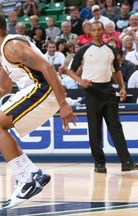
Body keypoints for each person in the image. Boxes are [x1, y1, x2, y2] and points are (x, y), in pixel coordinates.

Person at [0, 11, 76, 209]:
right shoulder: (5, 51)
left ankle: (26, 179)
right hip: (37, 90)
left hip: (43, 89)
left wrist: (63, 104)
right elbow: (2, 89)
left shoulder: (11, 46)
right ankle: (31, 174)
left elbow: (47, 67)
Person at [67, 21, 138, 173]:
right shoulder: (84, 50)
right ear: (90, 33)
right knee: (95, 129)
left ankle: (126, 162)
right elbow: (70, 71)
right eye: (94, 30)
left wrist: (122, 87)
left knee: (116, 127)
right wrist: (81, 81)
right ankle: (99, 163)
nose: (97, 32)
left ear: (104, 31)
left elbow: (116, 71)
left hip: (108, 90)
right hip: (92, 91)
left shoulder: (110, 49)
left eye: (99, 29)